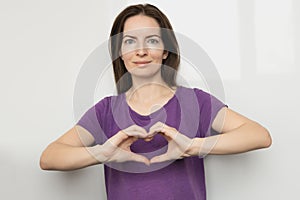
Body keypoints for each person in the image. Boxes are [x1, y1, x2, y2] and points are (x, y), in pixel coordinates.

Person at [40, 4, 272, 200]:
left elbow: (259, 135)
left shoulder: (195, 102)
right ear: (119, 52)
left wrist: (192, 146)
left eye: (151, 40)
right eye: (130, 41)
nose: (141, 51)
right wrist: (103, 153)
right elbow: (50, 157)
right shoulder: (106, 111)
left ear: (165, 50)